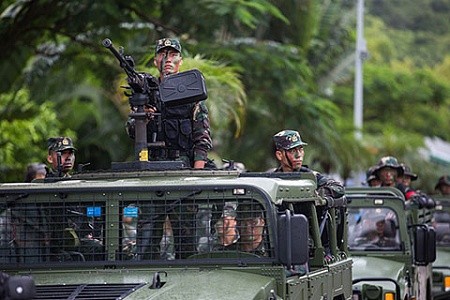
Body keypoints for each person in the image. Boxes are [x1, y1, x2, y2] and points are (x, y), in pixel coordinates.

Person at [126, 37, 212, 169]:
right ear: (155, 61)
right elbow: (131, 131)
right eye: (162, 55)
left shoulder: (191, 94)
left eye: (173, 55)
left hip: (184, 168)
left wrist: (196, 176)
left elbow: (202, 140)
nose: (168, 60)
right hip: (151, 166)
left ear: (180, 61)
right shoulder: (147, 93)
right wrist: (144, 118)